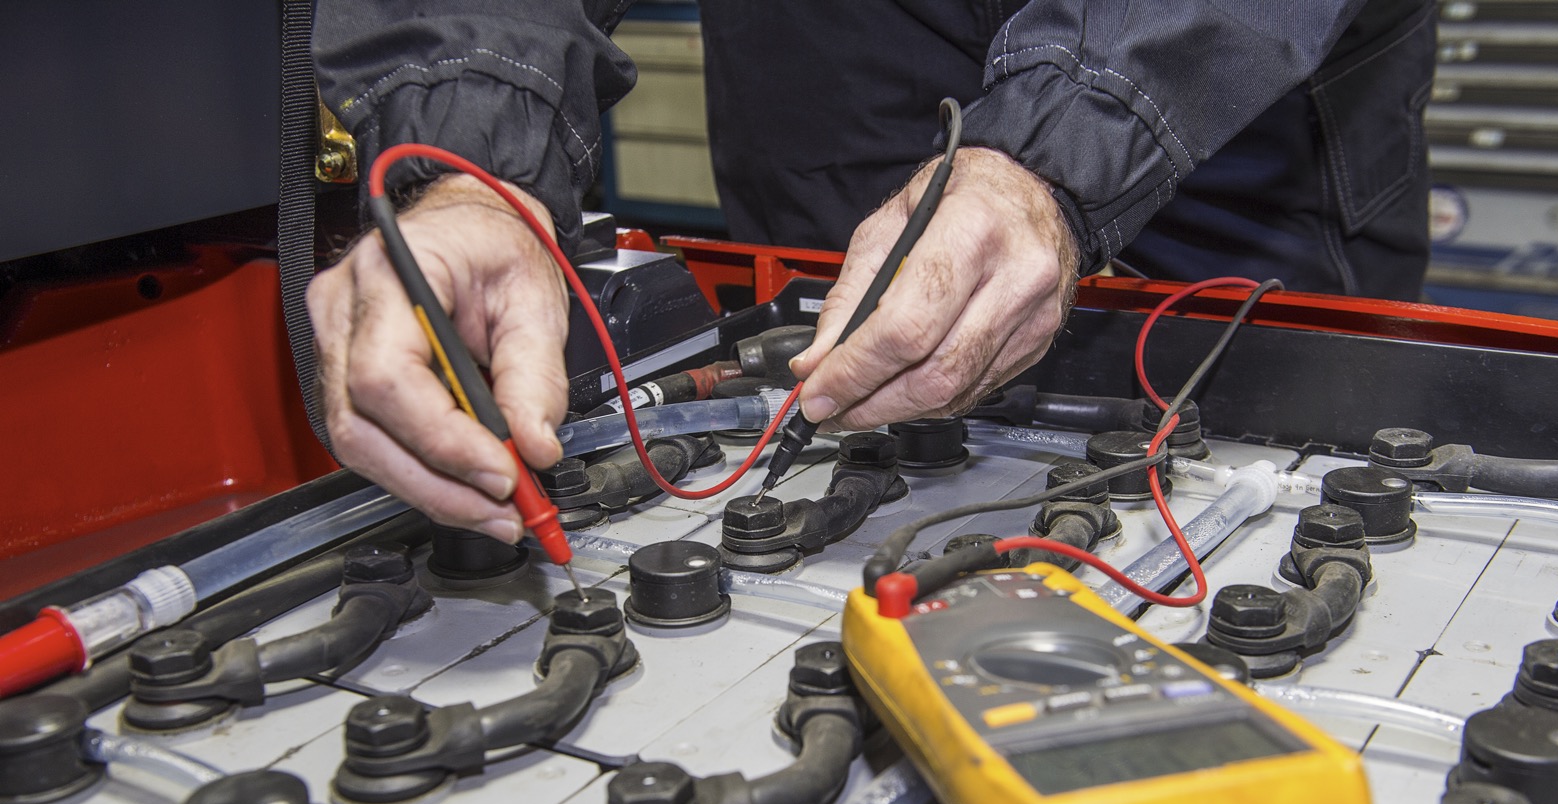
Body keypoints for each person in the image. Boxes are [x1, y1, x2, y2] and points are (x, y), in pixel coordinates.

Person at [309, 0, 1437, 543]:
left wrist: (1073, 144)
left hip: (1225, 106)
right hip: (832, 70)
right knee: (848, 371)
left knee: (1282, 490)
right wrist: (469, 153)